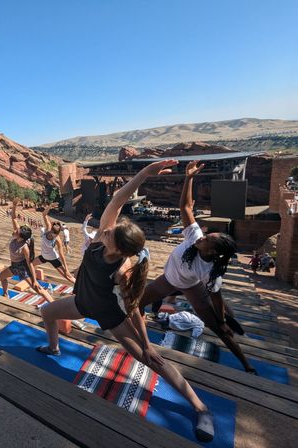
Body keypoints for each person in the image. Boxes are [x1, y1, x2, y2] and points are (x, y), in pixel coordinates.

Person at [37, 160, 214, 442]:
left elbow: (133, 310)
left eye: (109, 231)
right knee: (47, 312)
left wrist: (146, 345)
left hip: (111, 315)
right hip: (82, 303)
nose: (103, 229)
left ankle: (201, 408)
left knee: (150, 359)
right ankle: (54, 347)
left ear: (118, 247)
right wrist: (144, 174)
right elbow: (118, 201)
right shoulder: (100, 241)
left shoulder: (123, 270)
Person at [139, 160, 256, 375]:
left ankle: (247, 365)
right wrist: (189, 177)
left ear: (211, 252)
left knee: (221, 329)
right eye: (205, 236)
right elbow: (185, 207)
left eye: (206, 240)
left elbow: (216, 299)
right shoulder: (195, 235)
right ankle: (142, 337)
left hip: (192, 287)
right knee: (137, 304)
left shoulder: (209, 272)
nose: (201, 238)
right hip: (168, 281)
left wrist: (221, 320)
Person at [0, 200, 53, 304]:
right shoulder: (17, 236)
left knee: (37, 289)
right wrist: (14, 206)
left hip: (23, 268)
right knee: (2, 276)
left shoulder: (24, 247)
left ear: (21, 237)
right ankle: (5, 294)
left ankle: (54, 304)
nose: (14, 231)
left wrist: (35, 280)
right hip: (14, 266)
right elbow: (14, 218)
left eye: (17, 232)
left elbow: (30, 264)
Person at [33, 206, 76, 283]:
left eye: (57, 234)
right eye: (54, 234)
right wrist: (49, 207)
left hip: (53, 258)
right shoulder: (48, 229)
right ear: (51, 231)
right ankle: (33, 279)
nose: (56, 236)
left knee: (68, 276)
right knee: (30, 264)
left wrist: (66, 269)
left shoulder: (57, 239)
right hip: (43, 256)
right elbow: (44, 214)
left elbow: (61, 255)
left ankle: (79, 286)